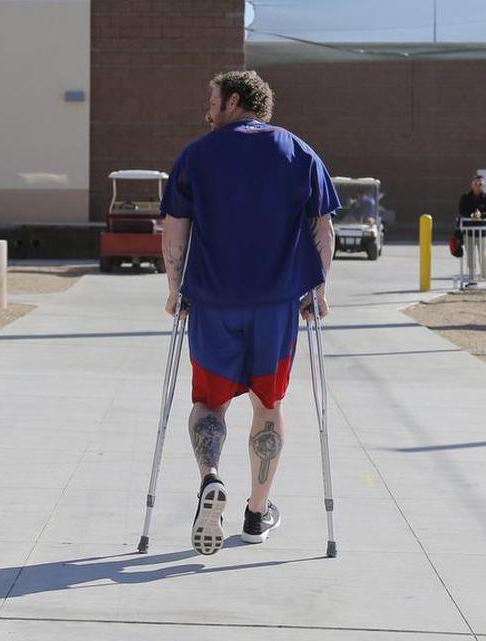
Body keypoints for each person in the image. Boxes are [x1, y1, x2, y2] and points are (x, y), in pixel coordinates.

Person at [159, 70, 338, 555]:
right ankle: (257, 515)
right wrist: (317, 288)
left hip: (213, 302)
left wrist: (175, 289)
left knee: (209, 404)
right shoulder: (300, 153)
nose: (206, 110)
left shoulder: (196, 155)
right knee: (269, 405)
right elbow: (322, 227)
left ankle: (211, 479)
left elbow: (175, 233)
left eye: (211, 99)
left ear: (233, 100)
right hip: (277, 305)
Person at [458, 174, 486, 287]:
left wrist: (481, 215)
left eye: (480, 184)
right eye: (475, 184)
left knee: (483, 255)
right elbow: (461, 211)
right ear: (472, 184)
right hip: (468, 231)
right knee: (470, 256)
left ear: (484, 186)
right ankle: (472, 279)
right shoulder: (465, 197)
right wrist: (471, 215)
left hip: (481, 231)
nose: (477, 186)